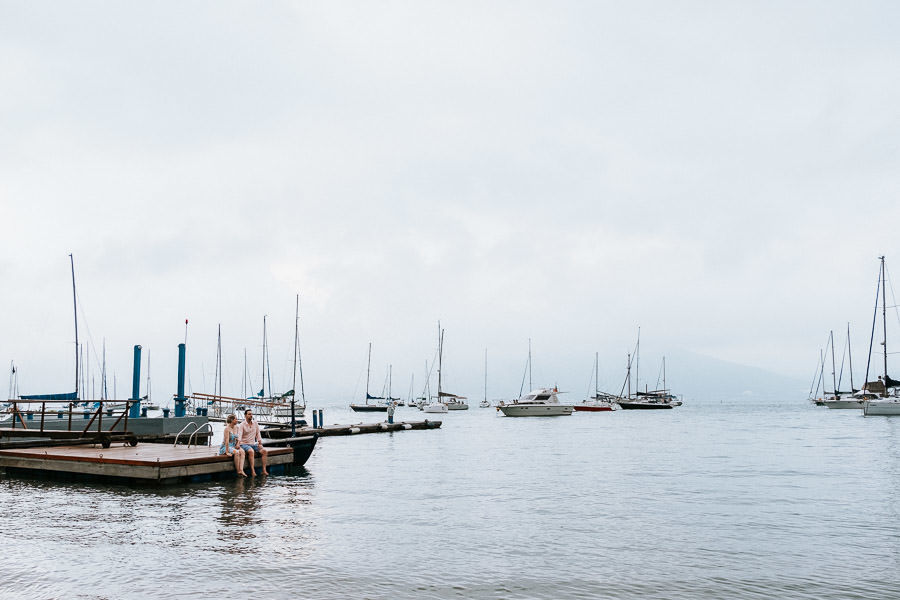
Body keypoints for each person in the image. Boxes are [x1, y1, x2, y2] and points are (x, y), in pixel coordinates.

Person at [237, 408, 268, 476]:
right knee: (251, 451)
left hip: (253, 444)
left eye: (251, 414)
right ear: (245, 415)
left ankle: (264, 470)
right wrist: (238, 443)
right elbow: (239, 435)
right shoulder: (242, 425)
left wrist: (260, 443)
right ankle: (253, 471)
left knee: (264, 451)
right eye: (249, 414)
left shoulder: (255, 423)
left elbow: (258, 433)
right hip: (244, 444)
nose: (251, 415)